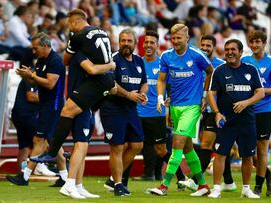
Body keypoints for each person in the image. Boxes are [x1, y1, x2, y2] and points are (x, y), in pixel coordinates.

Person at [30, 9, 116, 164]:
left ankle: (52, 153)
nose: (68, 27)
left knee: (67, 110)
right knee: (83, 112)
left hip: (97, 80)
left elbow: (65, 60)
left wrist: (78, 55)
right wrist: (110, 65)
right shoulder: (102, 31)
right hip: (108, 80)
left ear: (76, 22)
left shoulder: (77, 37)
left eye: (70, 23)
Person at [148, 23, 213, 197]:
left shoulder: (197, 55)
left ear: (187, 38)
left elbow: (210, 71)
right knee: (187, 148)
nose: (175, 41)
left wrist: (205, 95)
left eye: (179, 38)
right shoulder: (166, 56)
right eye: (173, 37)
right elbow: (161, 80)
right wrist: (161, 98)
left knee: (177, 144)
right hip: (175, 106)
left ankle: (164, 185)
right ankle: (203, 185)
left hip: (192, 107)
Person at [6, 32, 67, 186]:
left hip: (53, 105)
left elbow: (50, 84)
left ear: (46, 46)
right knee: (52, 140)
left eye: (36, 48)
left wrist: (32, 76)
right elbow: (37, 83)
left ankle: (25, 176)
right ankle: (65, 177)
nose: (34, 51)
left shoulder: (55, 61)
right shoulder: (41, 60)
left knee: (38, 139)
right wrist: (27, 76)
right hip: (46, 105)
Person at [207, 39, 265, 199]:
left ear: (240, 52)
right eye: (227, 49)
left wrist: (246, 103)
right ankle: (217, 188)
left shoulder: (251, 70)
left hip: (247, 121)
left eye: (233, 49)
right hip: (226, 121)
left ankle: (246, 189)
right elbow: (211, 93)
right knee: (220, 154)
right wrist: (217, 112)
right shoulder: (219, 71)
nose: (230, 52)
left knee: (247, 156)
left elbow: (260, 92)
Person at [135, 30, 189, 188]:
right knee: (130, 146)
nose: (149, 45)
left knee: (160, 149)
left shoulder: (162, 64)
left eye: (152, 42)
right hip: (137, 113)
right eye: (146, 42)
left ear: (157, 45)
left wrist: (171, 102)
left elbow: (173, 86)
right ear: (142, 44)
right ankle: (118, 181)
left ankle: (181, 177)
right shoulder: (137, 63)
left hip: (156, 113)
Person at [185, 34, 237, 192]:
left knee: (207, 145)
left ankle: (195, 180)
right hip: (202, 111)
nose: (205, 48)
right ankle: (229, 182)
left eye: (208, 46)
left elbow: (224, 89)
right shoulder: (195, 63)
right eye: (203, 45)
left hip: (218, 112)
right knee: (221, 147)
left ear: (214, 47)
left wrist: (211, 104)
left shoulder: (220, 66)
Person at [60, 51, 115, 199]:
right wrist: (110, 65)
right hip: (80, 103)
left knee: (83, 148)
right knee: (81, 145)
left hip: (87, 106)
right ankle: (69, 184)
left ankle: (78, 185)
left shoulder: (88, 59)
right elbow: (93, 70)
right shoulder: (80, 57)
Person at [101, 28, 148, 196]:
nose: (126, 44)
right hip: (112, 108)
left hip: (130, 109)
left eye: (129, 41)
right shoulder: (112, 59)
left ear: (135, 43)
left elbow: (144, 82)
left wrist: (142, 93)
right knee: (117, 147)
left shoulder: (139, 61)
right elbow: (110, 84)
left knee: (137, 145)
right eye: (123, 41)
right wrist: (129, 94)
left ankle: (113, 179)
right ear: (119, 42)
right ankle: (118, 184)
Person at [241, 30, 271, 196]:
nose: (254, 45)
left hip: (265, 110)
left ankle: (258, 186)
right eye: (251, 42)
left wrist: (261, 91)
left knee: (261, 148)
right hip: (246, 109)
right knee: (246, 150)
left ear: (264, 43)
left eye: (258, 42)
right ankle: (268, 175)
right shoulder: (244, 61)